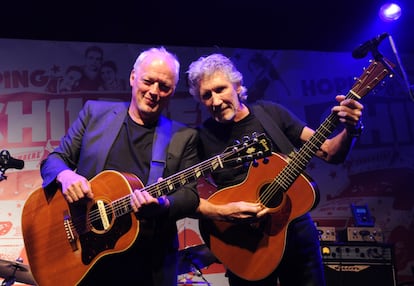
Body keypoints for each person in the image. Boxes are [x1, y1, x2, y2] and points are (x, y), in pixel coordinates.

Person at [186, 53, 364, 286]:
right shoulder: (201, 136)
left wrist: (352, 130)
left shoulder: (271, 114)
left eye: (220, 89)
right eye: (206, 95)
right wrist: (221, 212)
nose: (215, 101)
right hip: (245, 244)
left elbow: (330, 152)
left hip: (295, 235)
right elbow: (185, 195)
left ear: (238, 87)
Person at [40, 47, 200, 285]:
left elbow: (190, 195)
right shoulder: (94, 113)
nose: (154, 92)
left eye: (164, 86)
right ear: (133, 77)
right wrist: (65, 176)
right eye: (148, 81)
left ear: (173, 91)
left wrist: (165, 204)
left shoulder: (183, 136)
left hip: (146, 265)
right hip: (87, 260)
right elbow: (54, 160)